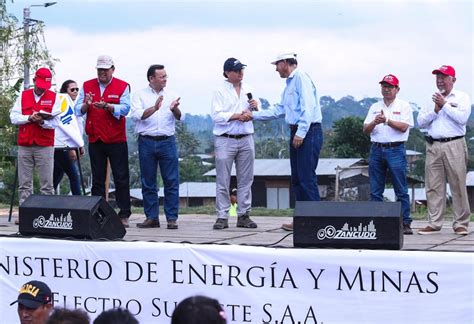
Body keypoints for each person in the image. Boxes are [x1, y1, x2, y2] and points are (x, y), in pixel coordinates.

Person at [251, 52, 323, 231]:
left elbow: (308, 107)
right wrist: (253, 115)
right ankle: (301, 219)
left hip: (307, 131)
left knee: (307, 178)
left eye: (277, 65)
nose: (276, 69)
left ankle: (317, 221)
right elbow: (280, 109)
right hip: (296, 131)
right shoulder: (289, 84)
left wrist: (301, 132)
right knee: (297, 179)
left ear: (285, 62)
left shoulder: (301, 78)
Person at [75, 55, 132, 227]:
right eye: (99, 69)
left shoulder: (123, 86)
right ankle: (98, 212)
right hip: (96, 137)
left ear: (112, 70)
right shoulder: (87, 85)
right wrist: (87, 104)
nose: (102, 73)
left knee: (121, 177)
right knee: (97, 178)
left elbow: (126, 108)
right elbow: (77, 109)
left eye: (105, 70)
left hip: (116, 138)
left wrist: (109, 106)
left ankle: (124, 213)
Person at [417, 65, 471, 235]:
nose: (440, 80)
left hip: (454, 144)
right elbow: (421, 122)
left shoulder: (462, 97)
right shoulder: (430, 99)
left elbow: (462, 119)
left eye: (444, 77)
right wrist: (435, 110)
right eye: (437, 77)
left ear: (453, 80)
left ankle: (461, 223)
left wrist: (445, 105)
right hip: (433, 145)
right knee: (433, 185)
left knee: (458, 183)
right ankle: (434, 223)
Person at [130, 64, 181, 229]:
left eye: (166, 76)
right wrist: (155, 108)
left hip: (167, 141)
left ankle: (172, 218)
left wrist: (174, 110)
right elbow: (138, 116)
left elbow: (181, 117)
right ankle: (152, 217)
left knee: (171, 180)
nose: (165, 79)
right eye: (162, 77)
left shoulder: (172, 95)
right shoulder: (139, 95)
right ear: (151, 78)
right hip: (146, 141)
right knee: (148, 181)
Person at [211, 57, 259, 230]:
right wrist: (237, 115)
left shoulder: (248, 88)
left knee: (246, 179)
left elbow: (254, 111)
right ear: (227, 73)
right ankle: (222, 216)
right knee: (223, 179)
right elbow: (216, 116)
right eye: (236, 70)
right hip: (225, 139)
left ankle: (244, 214)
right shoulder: (219, 91)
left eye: (241, 70)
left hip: (246, 137)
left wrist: (254, 107)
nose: (240, 73)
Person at [363, 74, 414, 235]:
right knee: (375, 189)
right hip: (376, 149)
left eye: (390, 87)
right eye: (384, 86)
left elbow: (404, 127)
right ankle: (376, 221)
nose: (386, 89)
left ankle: (405, 222)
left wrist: (386, 121)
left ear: (397, 89)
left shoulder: (404, 106)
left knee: (400, 188)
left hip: (396, 149)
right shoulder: (374, 107)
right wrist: (374, 122)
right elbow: (365, 129)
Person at [10, 67, 60, 221]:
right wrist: (28, 118)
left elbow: (56, 122)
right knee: (24, 183)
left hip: (44, 145)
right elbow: (13, 117)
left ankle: (48, 215)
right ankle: (25, 214)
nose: (41, 90)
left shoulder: (54, 97)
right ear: (33, 81)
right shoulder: (23, 95)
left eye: (44, 87)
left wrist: (43, 121)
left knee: (47, 184)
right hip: (25, 144)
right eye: (39, 86)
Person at [53, 80, 85, 195]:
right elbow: (65, 128)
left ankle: (46, 201)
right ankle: (79, 204)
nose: (75, 91)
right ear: (65, 91)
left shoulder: (73, 104)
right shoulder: (63, 103)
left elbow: (77, 127)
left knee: (56, 177)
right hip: (64, 146)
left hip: (69, 145)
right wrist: (73, 147)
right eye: (72, 89)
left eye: (77, 89)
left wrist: (80, 145)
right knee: (74, 176)